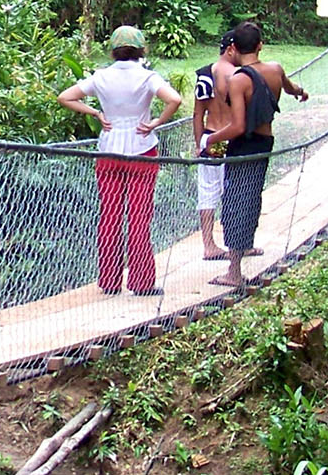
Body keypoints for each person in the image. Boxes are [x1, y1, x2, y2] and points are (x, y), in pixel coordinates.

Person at [58, 25, 182, 296]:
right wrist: (155, 123)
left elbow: (65, 97)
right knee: (139, 216)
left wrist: (95, 112)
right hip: (142, 148)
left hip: (109, 150)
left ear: (113, 50)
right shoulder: (148, 77)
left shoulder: (101, 77)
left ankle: (110, 280)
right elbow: (175, 99)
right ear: (140, 49)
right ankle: (141, 282)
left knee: (110, 214)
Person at [206, 22, 307, 289]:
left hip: (244, 147)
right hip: (265, 143)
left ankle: (234, 272)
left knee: (235, 203)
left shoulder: (239, 80)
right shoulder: (275, 69)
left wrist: (210, 138)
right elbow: (290, 87)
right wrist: (301, 93)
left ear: (234, 48)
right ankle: (242, 253)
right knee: (251, 198)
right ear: (260, 45)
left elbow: (238, 126)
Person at [192, 42, 236, 261]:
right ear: (232, 49)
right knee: (236, 190)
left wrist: (200, 143)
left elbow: (198, 113)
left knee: (208, 192)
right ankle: (238, 244)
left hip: (210, 136)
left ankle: (209, 244)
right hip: (232, 137)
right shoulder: (238, 75)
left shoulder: (204, 75)